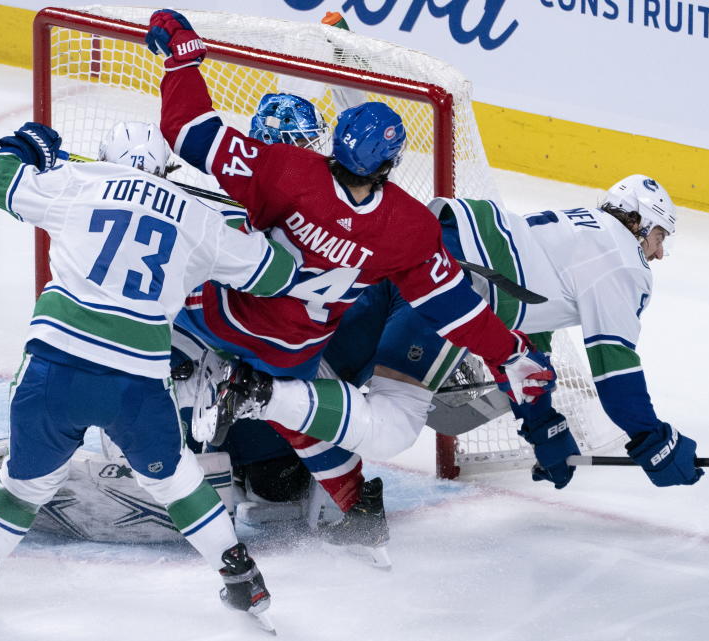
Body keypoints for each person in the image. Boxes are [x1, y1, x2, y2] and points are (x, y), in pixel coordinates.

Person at [144, 8, 557, 565]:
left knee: (153, 290)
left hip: (225, 316)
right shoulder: (410, 226)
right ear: (389, 164)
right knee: (297, 418)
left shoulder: (284, 170)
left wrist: (183, 61)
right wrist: (510, 353)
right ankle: (356, 505)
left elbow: (189, 133)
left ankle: (161, 402)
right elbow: (453, 307)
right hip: (293, 348)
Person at [0, 120, 300, 635]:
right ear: (168, 168)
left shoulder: (79, 182)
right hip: (138, 380)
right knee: (174, 479)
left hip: (55, 367)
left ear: (104, 156)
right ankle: (242, 577)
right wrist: (252, 226)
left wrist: (26, 147)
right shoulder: (200, 218)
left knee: (24, 483)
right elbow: (278, 274)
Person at [215, 176, 705, 499]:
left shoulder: (576, 232)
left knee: (323, 357)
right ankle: (262, 428)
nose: (659, 254)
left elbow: (523, 345)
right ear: (637, 223)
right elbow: (615, 373)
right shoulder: (623, 260)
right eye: (661, 237)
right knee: (392, 423)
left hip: (415, 245)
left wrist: (543, 425)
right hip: (446, 292)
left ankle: (243, 443)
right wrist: (653, 439)